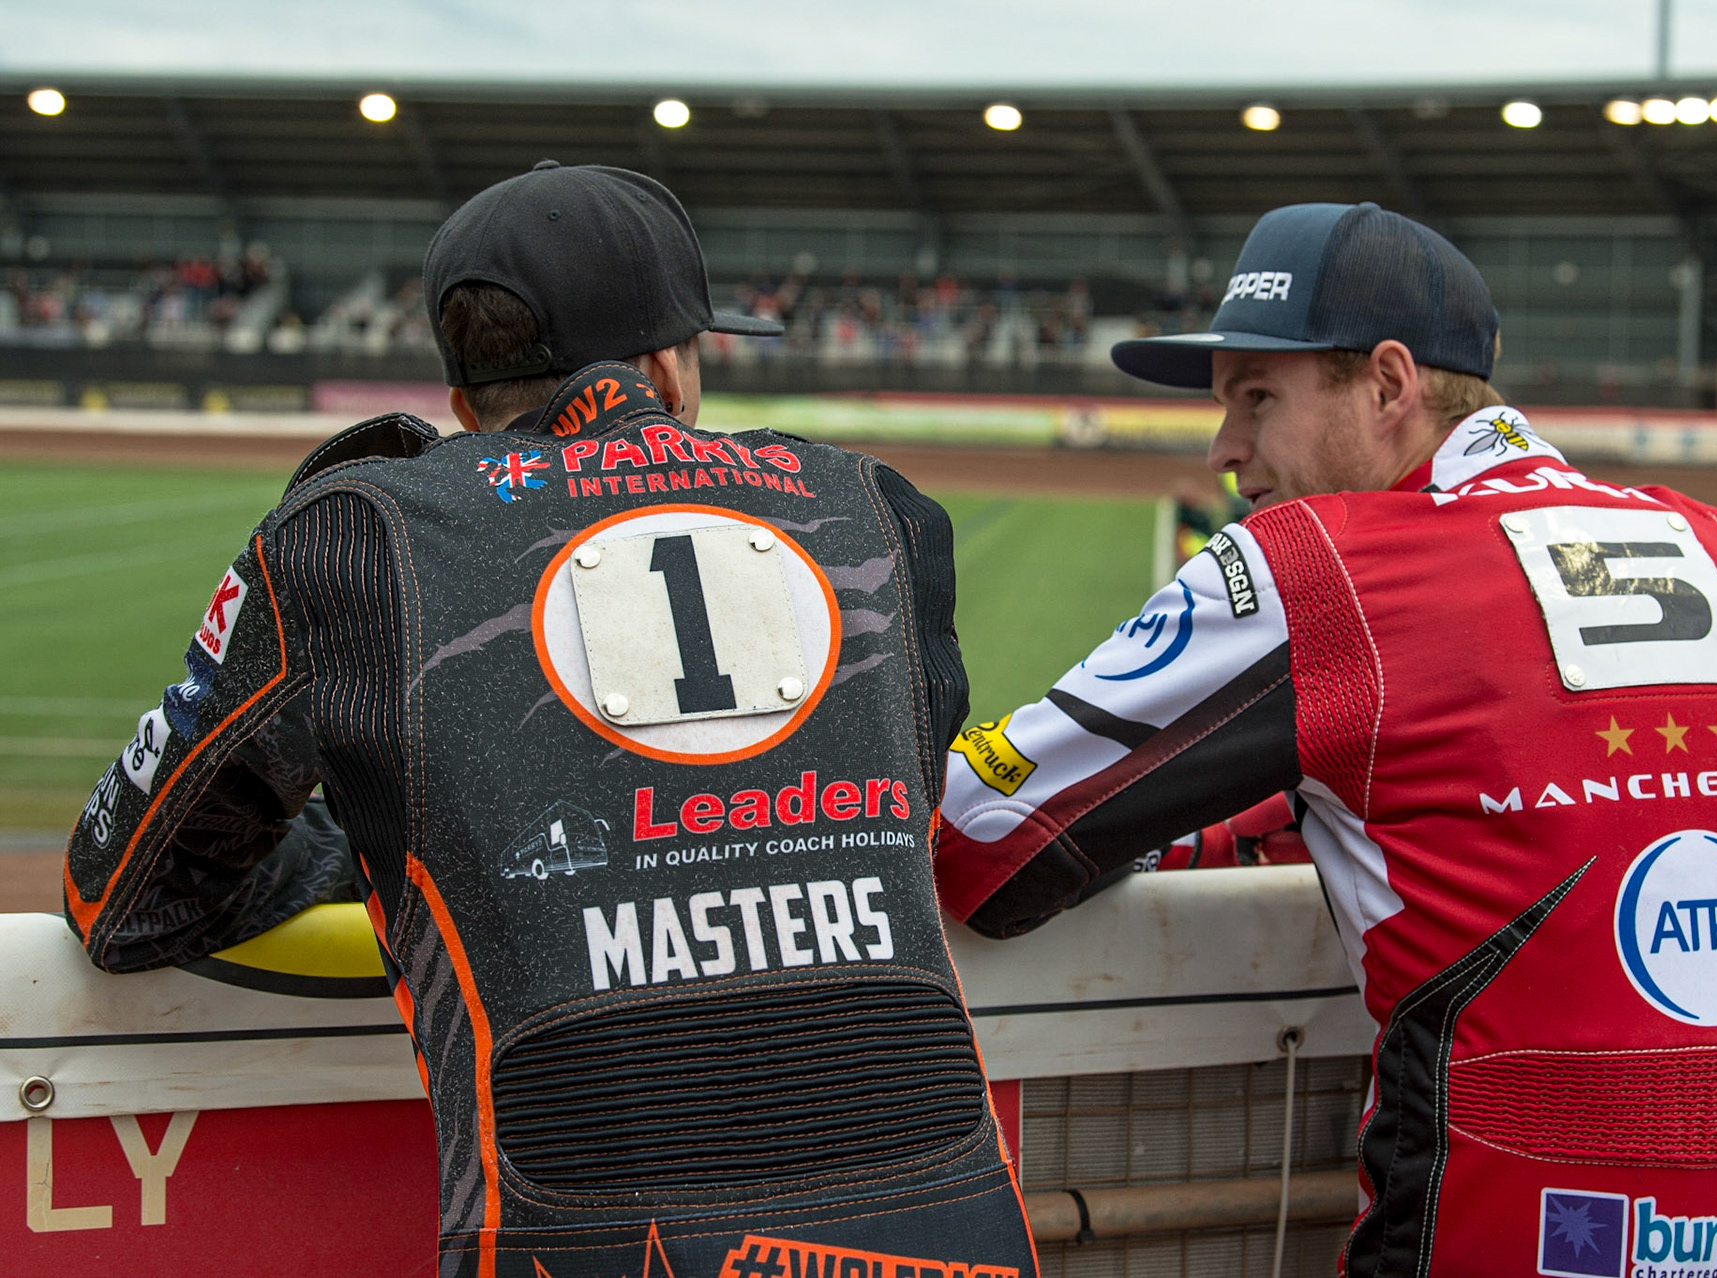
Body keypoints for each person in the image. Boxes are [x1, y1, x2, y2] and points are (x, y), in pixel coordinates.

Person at [67, 162, 1038, 1278]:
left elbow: (121, 896)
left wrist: (362, 847)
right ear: (670, 368)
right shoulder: (880, 510)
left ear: (465, 403)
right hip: (953, 1232)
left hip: (586, 1240)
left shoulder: (354, 533)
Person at [936, 203, 1717, 1276]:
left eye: (1257, 399)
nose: (1226, 451)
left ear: (1391, 385)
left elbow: (985, 841)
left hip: (1501, 1236)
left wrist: (1217, 832)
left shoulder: (1317, 561)